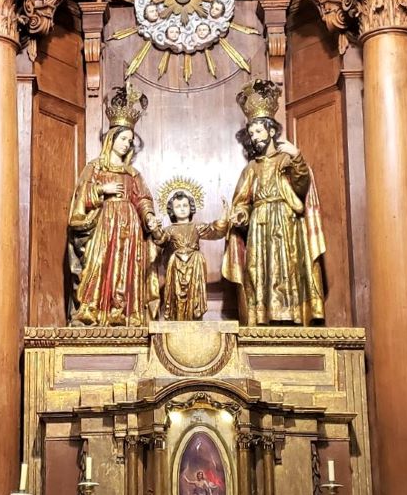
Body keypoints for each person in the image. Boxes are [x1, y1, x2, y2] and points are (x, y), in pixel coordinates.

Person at [222, 79, 325, 326]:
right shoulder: (251, 169)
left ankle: (291, 316)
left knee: (288, 268)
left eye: (258, 132)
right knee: (260, 271)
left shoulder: (287, 160)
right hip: (259, 225)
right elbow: (243, 202)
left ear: (270, 131)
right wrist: (240, 216)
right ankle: (262, 318)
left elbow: (301, 186)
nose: (255, 137)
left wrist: (297, 157)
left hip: (286, 222)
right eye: (251, 133)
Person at [68, 81, 160, 326]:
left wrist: (148, 216)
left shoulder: (132, 174)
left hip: (129, 227)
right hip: (105, 225)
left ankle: (123, 313)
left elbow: (142, 198)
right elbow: (81, 197)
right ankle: (93, 310)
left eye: (130, 140)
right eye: (123, 138)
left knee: (126, 270)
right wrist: (101, 189)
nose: (127, 143)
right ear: (112, 138)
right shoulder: (95, 167)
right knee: (99, 265)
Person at [154, 184, 227, 321]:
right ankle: (178, 317)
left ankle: (194, 317)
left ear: (191, 207)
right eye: (178, 206)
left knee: (194, 293)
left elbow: (215, 230)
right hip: (176, 265)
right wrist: (155, 229)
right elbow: (161, 240)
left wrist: (224, 216)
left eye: (185, 205)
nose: (182, 209)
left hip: (195, 264)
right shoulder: (170, 229)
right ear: (172, 210)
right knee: (177, 293)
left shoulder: (196, 227)